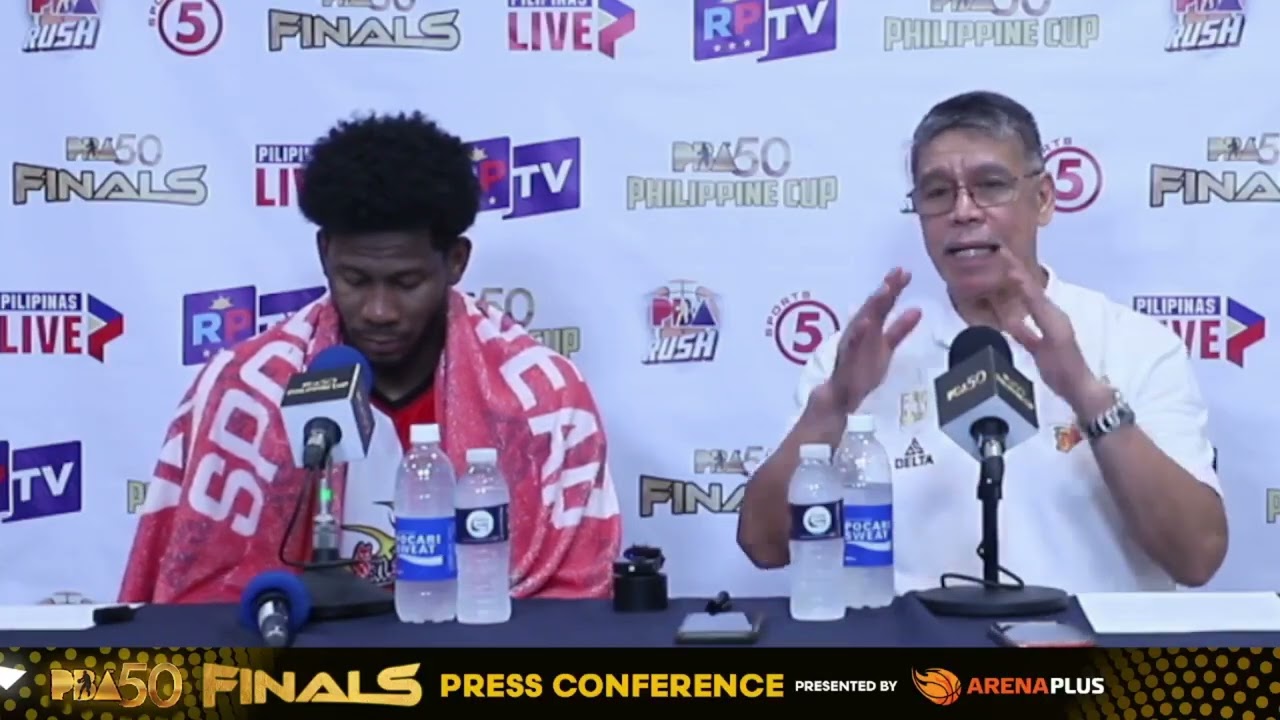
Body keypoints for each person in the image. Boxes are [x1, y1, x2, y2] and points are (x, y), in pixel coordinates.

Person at [737, 91, 1228, 593]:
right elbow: (764, 544)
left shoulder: (1134, 344)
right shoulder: (864, 355)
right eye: (936, 193)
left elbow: (1197, 558)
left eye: (990, 186)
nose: (963, 212)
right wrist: (835, 407)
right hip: (913, 640)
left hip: (1082, 641)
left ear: (1043, 199)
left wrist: (1087, 396)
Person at [121, 112, 620, 603]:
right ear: (324, 254)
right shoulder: (242, 388)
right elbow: (197, 603)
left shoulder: (546, 399)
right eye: (355, 280)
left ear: (455, 262)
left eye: (406, 282)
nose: (379, 311)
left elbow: (574, 606)